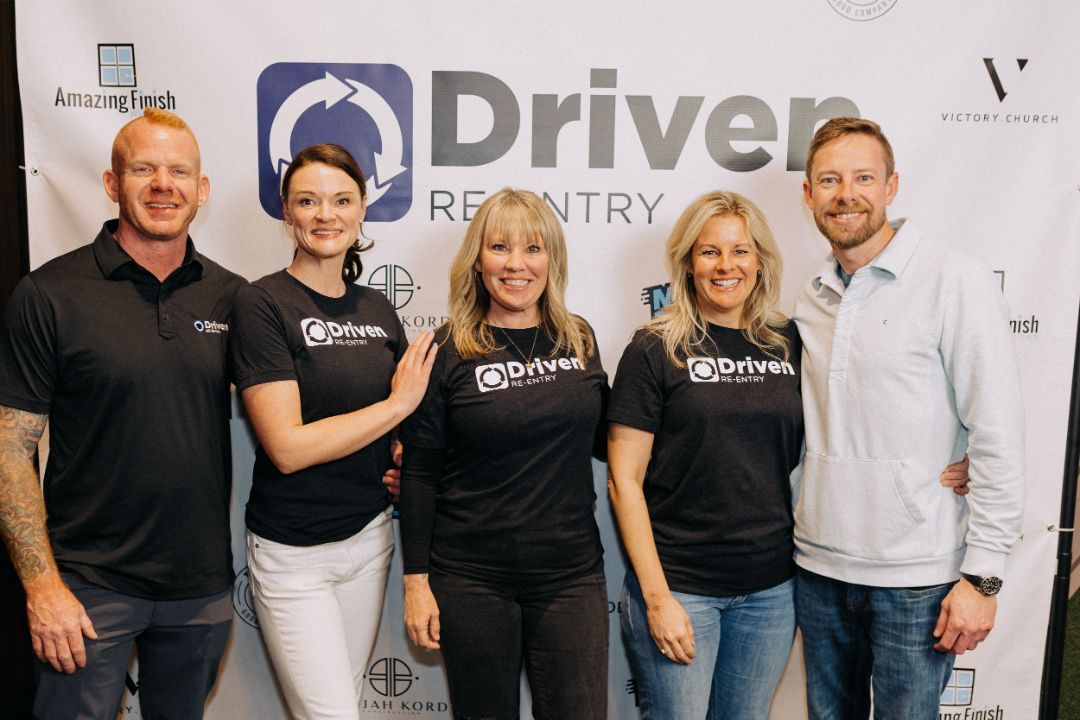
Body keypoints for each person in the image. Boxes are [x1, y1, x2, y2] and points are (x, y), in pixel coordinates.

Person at [0, 108, 244, 719]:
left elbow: (296, 409)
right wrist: (42, 587)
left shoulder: (234, 296)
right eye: (143, 168)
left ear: (202, 190)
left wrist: (397, 453)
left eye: (179, 171)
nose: (163, 184)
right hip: (87, 589)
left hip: (201, 589)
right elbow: (9, 450)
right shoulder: (50, 294)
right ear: (112, 184)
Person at [792, 117, 1025, 719]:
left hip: (917, 578)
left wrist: (985, 577)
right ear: (809, 194)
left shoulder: (955, 281)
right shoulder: (809, 296)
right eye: (830, 180)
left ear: (892, 186)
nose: (847, 194)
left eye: (863, 177)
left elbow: (997, 433)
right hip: (817, 566)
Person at [228, 143, 436, 720]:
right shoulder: (262, 303)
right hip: (294, 553)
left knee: (339, 706)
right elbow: (288, 448)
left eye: (342, 200)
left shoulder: (379, 310)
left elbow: (398, 426)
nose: (326, 215)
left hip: (369, 539)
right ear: (287, 213)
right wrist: (396, 407)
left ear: (362, 209)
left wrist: (399, 454)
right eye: (308, 201)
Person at [398, 188, 608, 720]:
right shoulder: (445, 350)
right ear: (478, 260)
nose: (516, 264)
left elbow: (607, 441)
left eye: (533, 248)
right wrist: (416, 582)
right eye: (500, 248)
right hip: (472, 579)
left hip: (571, 575)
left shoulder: (578, 339)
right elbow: (419, 474)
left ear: (551, 259)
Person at [607, 191, 802, 719]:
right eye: (709, 252)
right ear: (688, 263)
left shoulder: (787, 342)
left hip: (771, 588)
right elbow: (624, 482)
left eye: (740, 251)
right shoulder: (654, 348)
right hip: (681, 586)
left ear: (759, 261)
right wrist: (657, 598)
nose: (726, 266)